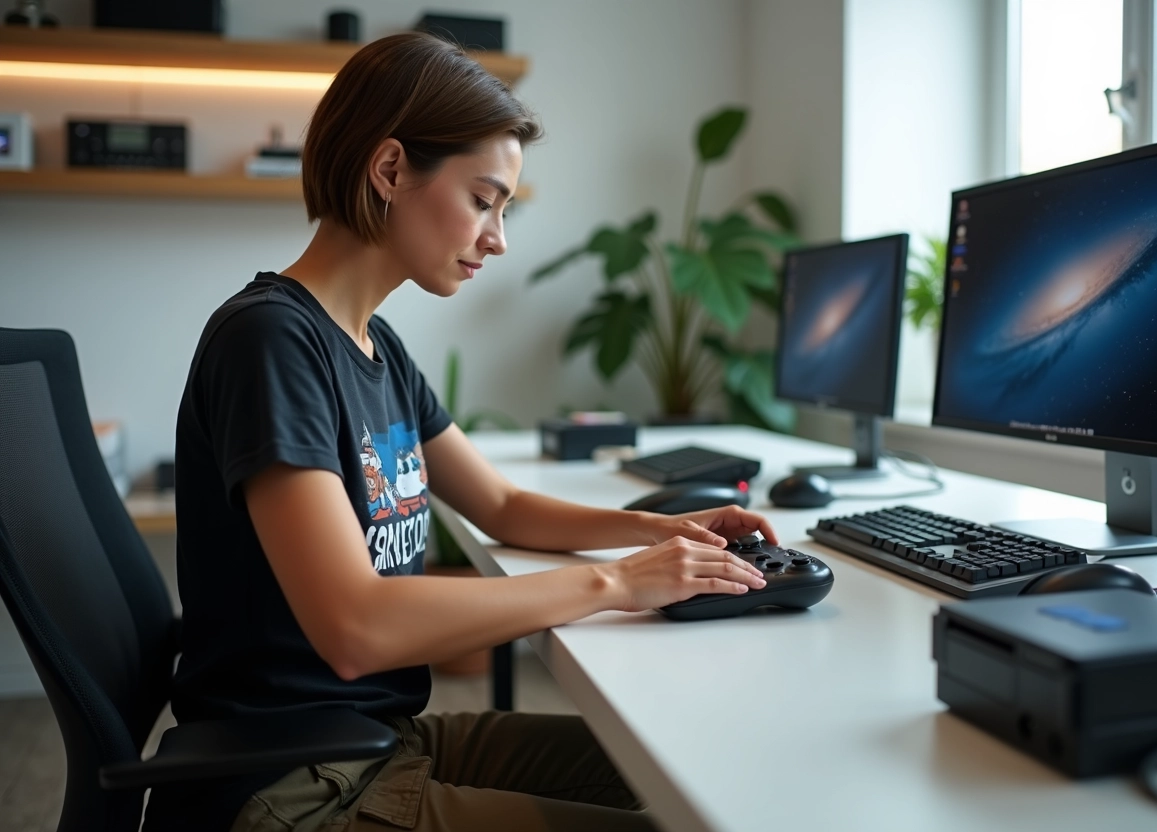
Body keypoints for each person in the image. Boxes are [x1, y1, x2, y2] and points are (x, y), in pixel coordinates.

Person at [144, 32, 774, 832]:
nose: (498, 238)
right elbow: (356, 627)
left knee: (695, 770)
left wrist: (662, 533)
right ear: (390, 169)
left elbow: (503, 506)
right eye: (483, 200)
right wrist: (615, 584)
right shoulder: (270, 342)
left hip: (376, 742)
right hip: (289, 787)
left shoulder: (376, 344)